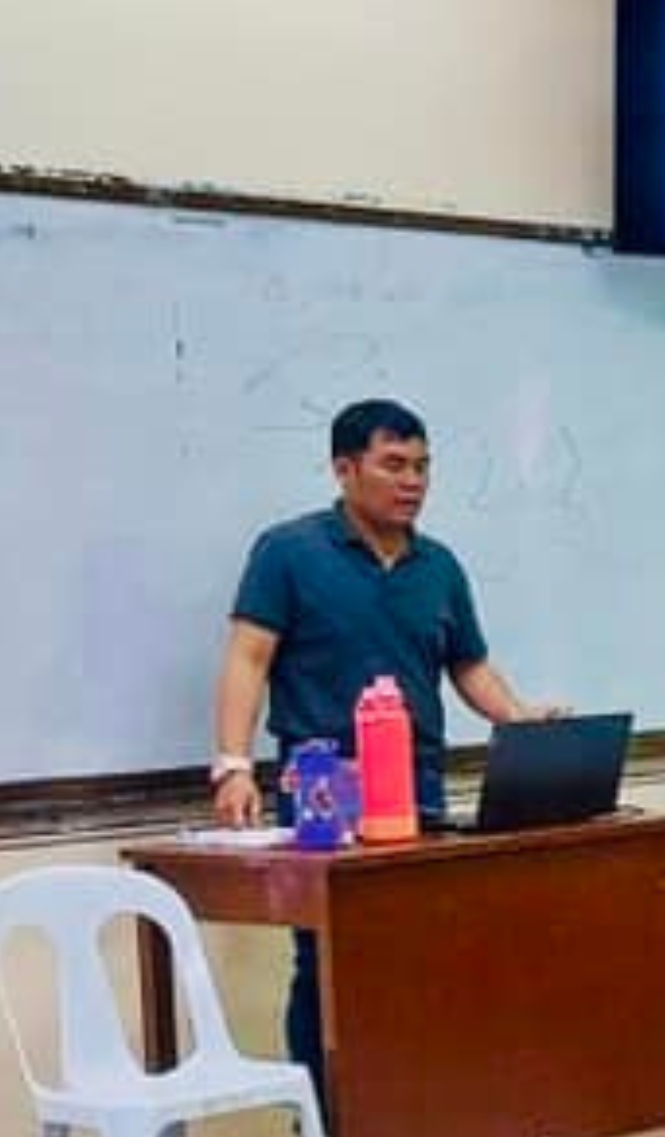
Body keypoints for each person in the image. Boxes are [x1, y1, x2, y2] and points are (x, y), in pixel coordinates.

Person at [210, 397, 570, 1086]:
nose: (413, 482)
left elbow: (467, 665)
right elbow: (248, 656)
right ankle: (328, 1126)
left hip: (418, 785)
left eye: (423, 467)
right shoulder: (289, 551)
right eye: (394, 465)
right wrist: (232, 765)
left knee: (417, 949)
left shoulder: (438, 564)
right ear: (345, 469)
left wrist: (520, 719)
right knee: (326, 957)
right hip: (324, 789)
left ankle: (409, 1115)